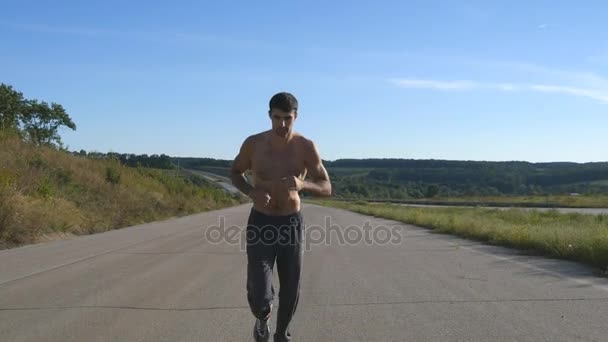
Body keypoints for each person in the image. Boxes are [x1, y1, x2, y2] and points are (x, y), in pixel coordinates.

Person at [230, 92, 332, 342]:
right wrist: (251, 192)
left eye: (288, 118)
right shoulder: (253, 144)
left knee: (290, 288)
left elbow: (327, 187)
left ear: (296, 116)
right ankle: (262, 317)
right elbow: (234, 172)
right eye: (277, 118)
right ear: (269, 116)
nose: (282, 124)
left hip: (290, 223)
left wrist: (302, 184)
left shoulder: (306, 146)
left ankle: (280, 334)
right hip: (261, 221)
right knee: (260, 289)